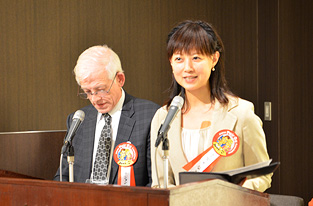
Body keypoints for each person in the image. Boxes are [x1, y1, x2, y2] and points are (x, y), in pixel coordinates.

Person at [150, 20, 272, 192]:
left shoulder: (241, 113)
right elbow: (160, 183)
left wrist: (232, 196)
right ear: (171, 62)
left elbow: (261, 174)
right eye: (179, 58)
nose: (188, 67)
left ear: (214, 59)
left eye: (196, 58)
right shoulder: (163, 117)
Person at [54, 45, 160, 186]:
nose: (95, 99)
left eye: (101, 89)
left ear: (120, 79)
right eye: (88, 92)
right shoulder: (78, 121)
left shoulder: (149, 116)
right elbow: (62, 178)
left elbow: (156, 182)